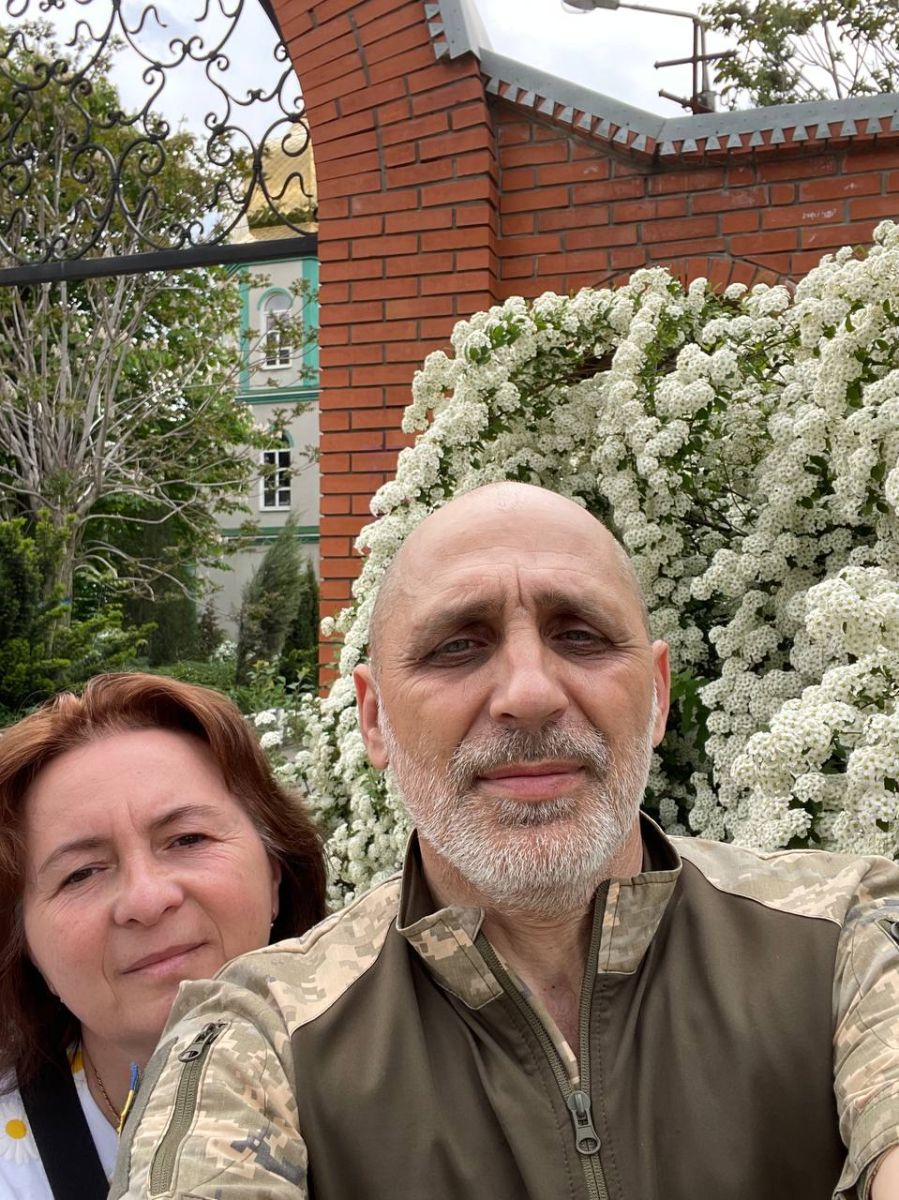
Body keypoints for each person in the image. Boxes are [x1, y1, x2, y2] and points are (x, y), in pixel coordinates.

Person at [111, 483, 899, 1200]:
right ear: (375, 719)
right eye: (457, 645)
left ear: (656, 696)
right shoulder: (259, 1037)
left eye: (581, 636)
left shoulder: (848, 933)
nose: (529, 693)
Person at [0, 671, 326, 1200]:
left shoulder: (406, 1094)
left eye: (187, 839)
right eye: (81, 873)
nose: (147, 901)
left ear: (275, 871)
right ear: (26, 945)